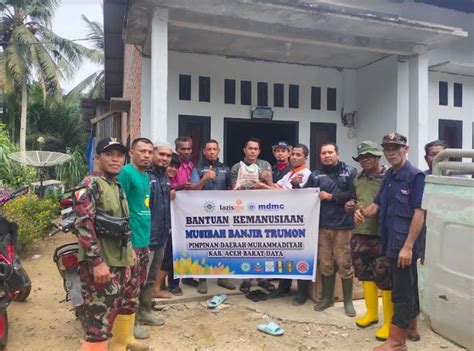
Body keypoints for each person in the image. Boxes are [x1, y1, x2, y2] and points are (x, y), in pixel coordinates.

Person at [355, 133, 425, 351]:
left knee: (401, 292)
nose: (391, 152)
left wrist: (408, 246)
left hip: (404, 244)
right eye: (387, 148)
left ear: (407, 148)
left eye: (396, 147)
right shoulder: (389, 176)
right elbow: (376, 205)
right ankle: (412, 327)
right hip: (390, 241)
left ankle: (397, 341)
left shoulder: (415, 176)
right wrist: (363, 213)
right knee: (409, 286)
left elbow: (419, 213)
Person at [74, 138, 134, 351]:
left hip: (116, 262)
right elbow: (83, 223)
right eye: (109, 154)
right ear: (97, 158)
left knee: (110, 316)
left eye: (119, 155)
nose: (115, 159)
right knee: (97, 325)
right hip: (99, 264)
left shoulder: (116, 185)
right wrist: (97, 261)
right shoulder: (89, 184)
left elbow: (122, 226)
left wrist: (128, 259)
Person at [344, 141, 392, 341]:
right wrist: (351, 205)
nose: (366, 160)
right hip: (361, 233)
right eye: (362, 157)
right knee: (364, 274)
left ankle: (389, 321)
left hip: (382, 234)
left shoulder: (389, 177)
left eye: (370, 156)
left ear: (378, 157)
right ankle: (371, 313)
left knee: (386, 278)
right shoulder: (358, 178)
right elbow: (357, 199)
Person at [304, 142, 357, 317]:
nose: (326, 155)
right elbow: (305, 195)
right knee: (325, 264)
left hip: (343, 226)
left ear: (337, 153)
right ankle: (327, 298)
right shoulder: (316, 174)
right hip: (321, 226)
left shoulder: (350, 172)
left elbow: (354, 194)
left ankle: (348, 301)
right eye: (323, 153)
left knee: (344, 263)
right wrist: (297, 186)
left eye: (330, 152)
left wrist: (332, 197)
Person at [116, 138, 156, 345]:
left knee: (138, 283)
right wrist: (128, 242)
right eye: (142, 151)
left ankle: (137, 319)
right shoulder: (126, 173)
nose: (147, 155)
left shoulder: (145, 175)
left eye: (150, 151)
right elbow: (119, 208)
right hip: (131, 241)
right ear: (132, 152)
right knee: (129, 287)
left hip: (143, 239)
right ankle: (128, 329)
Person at [188, 139, 236, 293]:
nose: (211, 152)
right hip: (203, 214)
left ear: (218, 151)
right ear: (204, 151)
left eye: (214, 149)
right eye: (208, 149)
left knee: (223, 245)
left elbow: (232, 189)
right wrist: (205, 178)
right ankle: (202, 279)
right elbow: (194, 189)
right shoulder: (197, 169)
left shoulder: (226, 169)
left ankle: (222, 277)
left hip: (222, 214)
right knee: (203, 246)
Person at [269, 144, 313, 305]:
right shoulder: (289, 173)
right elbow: (276, 186)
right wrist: (265, 182)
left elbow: (286, 193)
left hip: (299, 222)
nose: (294, 157)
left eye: (298, 154)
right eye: (293, 154)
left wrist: (263, 186)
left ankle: (302, 292)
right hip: (284, 220)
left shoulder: (306, 174)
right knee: (283, 254)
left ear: (305, 158)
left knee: (300, 255)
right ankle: (284, 286)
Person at [230, 138, 275, 293]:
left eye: (255, 149)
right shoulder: (237, 167)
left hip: (262, 211)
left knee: (262, 245)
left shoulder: (265, 166)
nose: (252, 151)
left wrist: (266, 180)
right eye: (250, 148)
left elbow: (273, 188)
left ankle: (262, 278)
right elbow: (232, 189)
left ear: (259, 151)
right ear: (244, 150)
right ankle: (246, 279)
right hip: (243, 211)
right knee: (246, 245)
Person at [141, 141, 174, 324]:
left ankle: (145, 312)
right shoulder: (145, 176)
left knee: (151, 279)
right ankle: (134, 318)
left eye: (168, 156)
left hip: (161, 238)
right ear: (153, 154)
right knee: (140, 279)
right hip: (146, 238)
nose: (165, 158)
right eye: (161, 154)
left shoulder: (164, 177)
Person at [169, 136, 198, 291]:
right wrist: (181, 187)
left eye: (188, 149)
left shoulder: (192, 166)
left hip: (188, 210)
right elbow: (169, 186)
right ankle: (173, 284)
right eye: (183, 149)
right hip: (173, 209)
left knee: (188, 243)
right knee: (174, 245)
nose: (186, 152)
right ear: (177, 149)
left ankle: (187, 276)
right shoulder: (173, 165)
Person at [161, 153, 181, 295]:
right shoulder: (158, 180)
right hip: (158, 226)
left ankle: (169, 285)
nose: (173, 169)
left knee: (169, 255)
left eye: (176, 167)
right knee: (161, 257)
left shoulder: (170, 182)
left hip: (171, 224)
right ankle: (157, 286)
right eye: (171, 166)